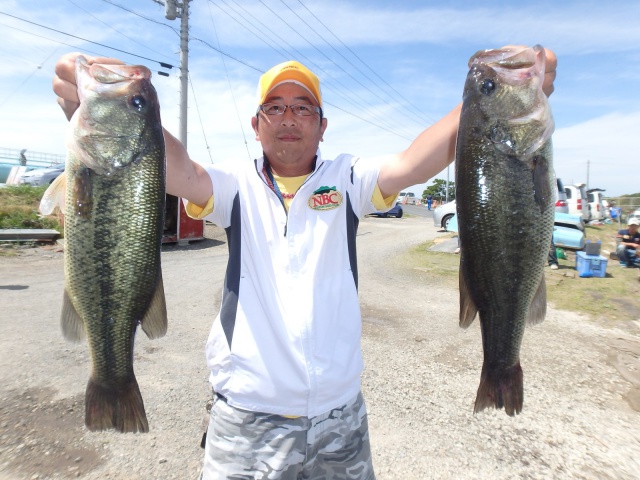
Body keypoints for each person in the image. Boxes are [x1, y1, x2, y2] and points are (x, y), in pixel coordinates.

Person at [52, 47, 557, 479]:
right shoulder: (232, 187)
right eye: (274, 107)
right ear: (256, 124)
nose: (288, 119)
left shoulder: (349, 180)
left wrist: (500, 91)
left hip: (341, 419)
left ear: (322, 125)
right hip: (246, 421)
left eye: (303, 107)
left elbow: (417, 159)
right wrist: (104, 107)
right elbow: (173, 166)